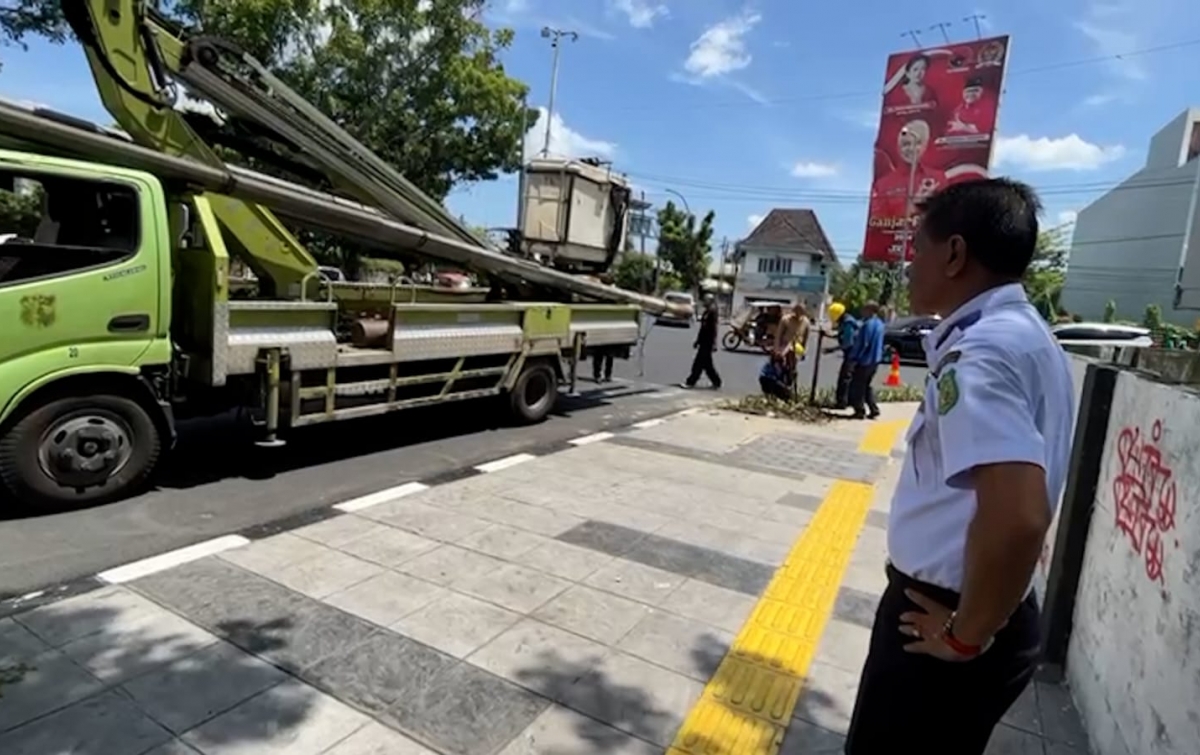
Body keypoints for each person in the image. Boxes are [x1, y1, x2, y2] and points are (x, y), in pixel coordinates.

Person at [843, 178, 1076, 754]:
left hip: (943, 620)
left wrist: (966, 638)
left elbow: (1018, 517)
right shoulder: (1025, 337)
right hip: (982, 606)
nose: (909, 266)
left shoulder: (982, 354)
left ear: (954, 254)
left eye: (916, 249)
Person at [846, 301, 883, 420]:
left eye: (864, 309)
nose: (862, 311)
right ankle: (873, 409)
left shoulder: (867, 325)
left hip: (864, 360)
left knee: (857, 385)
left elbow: (864, 344)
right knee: (866, 385)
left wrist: (854, 358)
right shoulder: (880, 324)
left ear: (871, 311)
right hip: (875, 360)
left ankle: (859, 410)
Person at [822, 301, 858, 409]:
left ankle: (842, 402)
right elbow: (841, 334)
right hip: (851, 354)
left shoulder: (848, 324)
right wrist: (829, 335)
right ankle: (846, 401)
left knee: (845, 378)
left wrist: (831, 350)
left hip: (852, 355)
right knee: (847, 378)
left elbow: (848, 343)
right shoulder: (846, 322)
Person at [682, 294, 721, 389]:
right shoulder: (706, 312)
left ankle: (690, 382)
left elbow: (713, 329)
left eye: (705, 300)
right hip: (703, 341)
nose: (704, 302)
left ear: (710, 301)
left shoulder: (712, 312)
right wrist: (698, 341)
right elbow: (702, 329)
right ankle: (717, 381)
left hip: (708, 342)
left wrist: (714, 343)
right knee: (707, 365)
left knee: (698, 364)